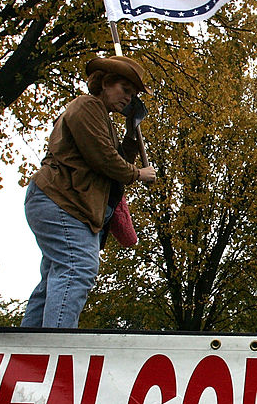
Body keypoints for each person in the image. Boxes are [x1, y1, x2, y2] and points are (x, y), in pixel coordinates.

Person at [22, 55, 157, 328]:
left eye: (132, 96)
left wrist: (132, 130)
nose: (128, 99)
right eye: (125, 90)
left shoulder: (101, 117)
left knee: (53, 279)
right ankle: (56, 349)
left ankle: (30, 346)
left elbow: (115, 157)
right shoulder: (87, 106)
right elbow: (105, 159)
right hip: (63, 200)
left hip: (67, 203)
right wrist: (138, 174)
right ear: (106, 83)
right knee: (78, 267)